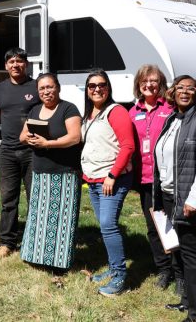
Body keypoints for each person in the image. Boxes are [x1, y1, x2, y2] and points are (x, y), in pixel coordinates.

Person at [154, 75, 196, 322]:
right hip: (170, 196)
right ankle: (187, 302)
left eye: (190, 89)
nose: (184, 92)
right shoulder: (173, 119)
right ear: (173, 92)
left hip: (189, 199)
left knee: (193, 255)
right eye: (180, 87)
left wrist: (195, 199)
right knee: (179, 252)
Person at [19, 73, 82, 272]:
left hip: (65, 172)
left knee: (62, 219)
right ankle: (37, 257)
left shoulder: (68, 108)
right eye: (42, 88)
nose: (46, 91)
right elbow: (22, 135)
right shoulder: (35, 110)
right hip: (40, 172)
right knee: (40, 217)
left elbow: (74, 137)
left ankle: (59, 262)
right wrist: (28, 139)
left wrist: (48, 143)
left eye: (50, 87)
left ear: (58, 87)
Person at [81, 69, 135, 296]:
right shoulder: (90, 114)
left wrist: (112, 175)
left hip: (112, 179)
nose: (97, 89)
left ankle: (120, 275)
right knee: (106, 226)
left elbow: (128, 146)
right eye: (92, 86)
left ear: (108, 87)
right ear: (87, 90)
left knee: (108, 225)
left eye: (101, 85)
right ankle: (114, 269)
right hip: (94, 180)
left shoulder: (116, 111)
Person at [128, 65, 177, 289]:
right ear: (139, 85)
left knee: (173, 226)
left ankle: (181, 272)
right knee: (154, 227)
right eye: (144, 81)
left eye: (154, 81)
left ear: (161, 84)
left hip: (169, 179)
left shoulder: (171, 108)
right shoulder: (132, 112)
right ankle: (164, 269)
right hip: (146, 179)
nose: (149, 85)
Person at [0, 48, 41, 258]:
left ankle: (33, 240)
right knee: (8, 200)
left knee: (34, 199)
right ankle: (7, 242)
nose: (15, 65)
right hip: (8, 151)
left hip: (33, 151)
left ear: (26, 64)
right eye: (11, 61)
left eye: (19, 61)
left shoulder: (36, 87)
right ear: (6, 66)